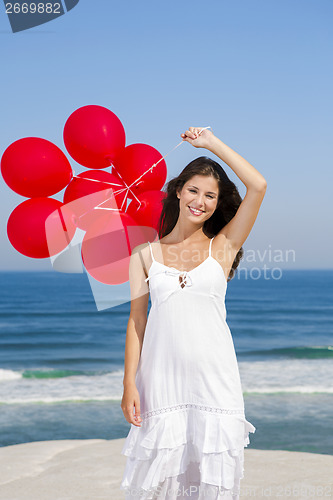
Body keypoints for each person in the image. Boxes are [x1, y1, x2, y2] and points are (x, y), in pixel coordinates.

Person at [120, 127, 267, 499]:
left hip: (215, 382)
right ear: (178, 191)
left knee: (212, 485)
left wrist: (212, 144)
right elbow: (137, 321)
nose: (200, 201)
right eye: (194, 190)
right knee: (161, 485)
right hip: (161, 383)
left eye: (210, 196)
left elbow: (259, 186)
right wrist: (128, 384)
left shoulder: (224, 246)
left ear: (218, 204)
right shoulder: (144, 255)